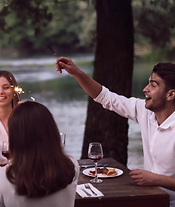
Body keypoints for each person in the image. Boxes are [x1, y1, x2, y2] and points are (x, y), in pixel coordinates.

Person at [56, 56, 175, 206]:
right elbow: (106, 97)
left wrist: (155, 179)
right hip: (148, 199)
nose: (145, 89)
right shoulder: (146, 112)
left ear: (171, 94)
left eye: (153, 85)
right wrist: (76, 72)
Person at [0, 101, 79, 207]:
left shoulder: (1, 178)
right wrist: (32, 112)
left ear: (15, 138)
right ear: (52, 131)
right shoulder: (72, 165)